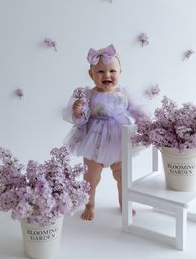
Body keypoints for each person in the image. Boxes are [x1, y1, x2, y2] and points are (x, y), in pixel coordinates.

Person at [62, 44, 146, 220]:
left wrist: (146, 122)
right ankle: (90, 204)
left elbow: (137, 109)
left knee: (123, 177)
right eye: (100, 72)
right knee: (90, 179)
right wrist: (78, 110)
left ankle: (125, 203)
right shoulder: (88, 95)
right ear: (91, 75)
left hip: (119, 141)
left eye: (112, 71)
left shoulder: (124, 93)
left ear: (120, 73)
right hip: (95, 143)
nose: (107, 75)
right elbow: (82, 119)